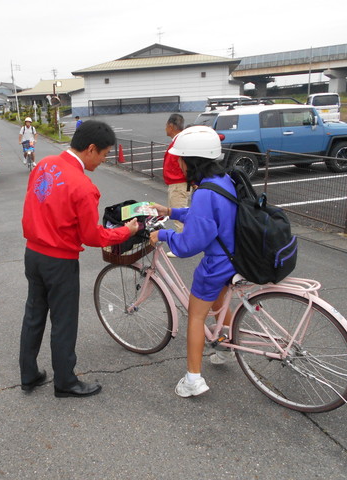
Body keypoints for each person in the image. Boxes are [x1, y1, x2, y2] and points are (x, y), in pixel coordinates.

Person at [20, 120, 139, 398]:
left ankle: (29, 375)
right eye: (105, 154)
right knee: (64, 321)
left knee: (34, 314)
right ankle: (65, 381)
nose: (104, 159)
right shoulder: (83, 186)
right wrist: (127, 230)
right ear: (91, 149)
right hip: (59, 259)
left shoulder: (44, 165)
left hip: (33, 253)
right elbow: (92, 236)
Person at [148, 126, 237, 398]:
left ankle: (193, 380)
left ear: (192, 161)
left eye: (181, 160)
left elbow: (189, 245)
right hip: (235, 256)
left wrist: (161, 233)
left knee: (196, 317)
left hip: (217, 263)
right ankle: (227, 348)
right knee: (220, 305)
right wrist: (171, 211)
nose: (179, 164)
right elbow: (205, 217)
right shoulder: (223, 181)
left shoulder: (203, 192)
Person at [162, 114, 189, 257]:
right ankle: (183, 244)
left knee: (179, 215)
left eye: (166, 125)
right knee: (180, 213)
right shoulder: (180, 140)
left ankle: (181, 248)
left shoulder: (179, 141)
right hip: (179, 183)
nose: (165, 128)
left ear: (171, 126)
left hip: (178, 183)